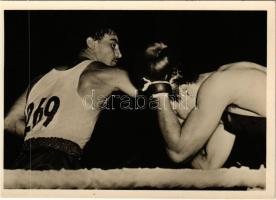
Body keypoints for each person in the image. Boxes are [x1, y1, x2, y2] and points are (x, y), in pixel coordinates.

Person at [4, 27, 138, 170]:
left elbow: (9, 122)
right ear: (91, 43)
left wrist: (42, 135)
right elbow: (148, 99)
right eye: (113, 44)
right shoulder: (108, 73)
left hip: (24, 161)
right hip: (59, 161)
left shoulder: (39, 80)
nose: (119, 53)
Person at [141, 42, 266, 169]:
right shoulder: (221, 99)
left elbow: (178, 153)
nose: (180, 121)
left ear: (184, 90)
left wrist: (160, 95)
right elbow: (206, 166)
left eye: (176, 113)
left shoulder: (219, 84)